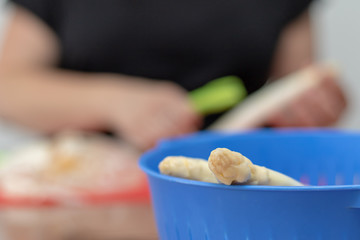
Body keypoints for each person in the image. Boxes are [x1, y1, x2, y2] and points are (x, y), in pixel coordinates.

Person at [0, 0, 346, 150]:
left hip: (233, 190)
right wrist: (112, 102)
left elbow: (295, 83)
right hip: (87, 192)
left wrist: (314, 108)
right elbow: (8, 87)